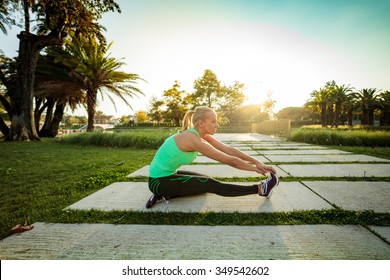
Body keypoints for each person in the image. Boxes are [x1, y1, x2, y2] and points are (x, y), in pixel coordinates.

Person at [146, 106, 279, 208]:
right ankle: (261, 189)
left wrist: (257, 162)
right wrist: (255, 169)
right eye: (213, 121)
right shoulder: (192, 139)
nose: (217, 125)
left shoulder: (198, 135)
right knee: (210, 184)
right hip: (158, 181)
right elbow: (229, 160)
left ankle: (166, 192)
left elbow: (228, 150)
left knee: (205, 181)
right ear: (201, 123)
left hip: (169, 175)